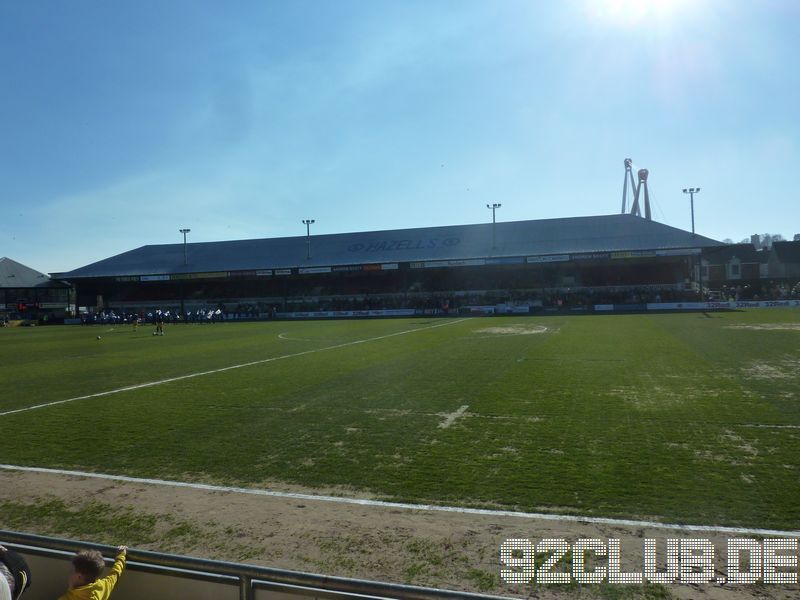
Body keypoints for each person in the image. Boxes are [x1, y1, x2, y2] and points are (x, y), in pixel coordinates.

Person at [58, 546, 127, 600]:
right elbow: (115, 574)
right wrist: (121, 556)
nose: (69, 574)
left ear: (79, 576)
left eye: (71, 571)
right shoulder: (103, 586)